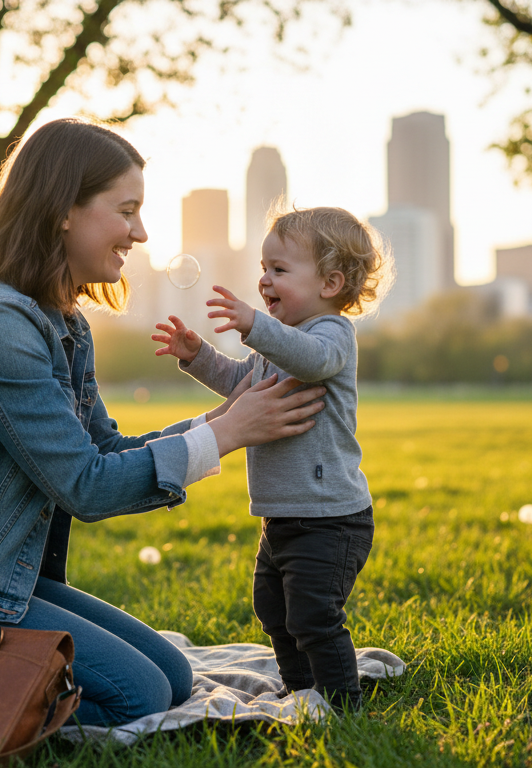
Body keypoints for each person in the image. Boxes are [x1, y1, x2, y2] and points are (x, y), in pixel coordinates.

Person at [0, 118, 327, 727]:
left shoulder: (61, 321)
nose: (141, 232)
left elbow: (104, 450)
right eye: (127, 211)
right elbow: (86, 486)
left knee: (172, 676)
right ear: (64, 210)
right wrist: (228, 433)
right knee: (137, 696)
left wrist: (227, 416)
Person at [152, 205, 389, 709]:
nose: (264, 279)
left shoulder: (331, 334)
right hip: (281, 515)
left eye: (279, 269)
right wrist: (198, 356)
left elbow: (312, 360)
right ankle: (299, 687)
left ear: (330, 283)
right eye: (264, 268)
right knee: (274, 611)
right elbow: (241, 383)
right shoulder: (275, 346)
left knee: (313, 615)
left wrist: (256, 324)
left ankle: (341, 701)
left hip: (329, 518)